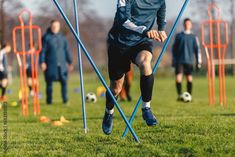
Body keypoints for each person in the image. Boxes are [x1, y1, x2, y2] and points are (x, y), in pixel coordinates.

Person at [102, 0, 167, 135]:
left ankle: (146, 109)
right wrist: (144, 30)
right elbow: (123, 20)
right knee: (116, 88)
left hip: (141, 42)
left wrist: (161, 29)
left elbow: (161, 10)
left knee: (145, 62)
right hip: (119, 43)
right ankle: (109, 112)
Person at [40, 20, 73, 105]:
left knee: (64, 82)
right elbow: (42, 51)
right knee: (49, 84)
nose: (55, 28)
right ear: (50, 26)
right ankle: (49, 101)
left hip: (62, 65)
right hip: (50, 65)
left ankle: (65, 100)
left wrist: (70, 62)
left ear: (59, 27)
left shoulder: (62, 38)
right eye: (53, 26)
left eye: (56, 26)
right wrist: (42, 62)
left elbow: (67, 50)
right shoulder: (45, 37)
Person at [172, 18, 202, 101]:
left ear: (191, 25)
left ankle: (189, 96)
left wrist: (198, 62)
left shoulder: (193, 37)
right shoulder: (179, 36)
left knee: (189, 78)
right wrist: (174, 60)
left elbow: (197, 50)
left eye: (189, 23)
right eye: (186, 23)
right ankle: (179, 95)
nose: (187, 25)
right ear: (184, 25)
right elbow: (174, 49)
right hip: (179, 61)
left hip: (189, 61)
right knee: (178, 78)